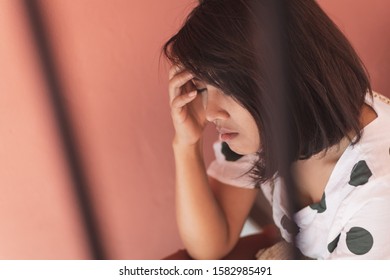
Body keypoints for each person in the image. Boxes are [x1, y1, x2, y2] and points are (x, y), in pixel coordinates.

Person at [162, 0, 390, 259]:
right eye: (203, 88)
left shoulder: (379, 189)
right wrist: (186, 144)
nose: (211, 111)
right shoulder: (272, 127)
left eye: (226, 87)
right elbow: (210, 246)